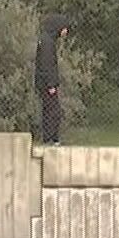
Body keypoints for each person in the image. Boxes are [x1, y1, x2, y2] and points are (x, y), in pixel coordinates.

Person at [34, 15, 71, 145]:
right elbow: (46, 64)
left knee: (49, 109)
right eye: (65, 28)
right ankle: (51, 138)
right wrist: (51, 84)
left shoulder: (46, 40)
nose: (66, 32)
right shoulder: (47, 43)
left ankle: (49, 137)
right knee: (53, 110)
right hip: (47, 84)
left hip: (44, 82)